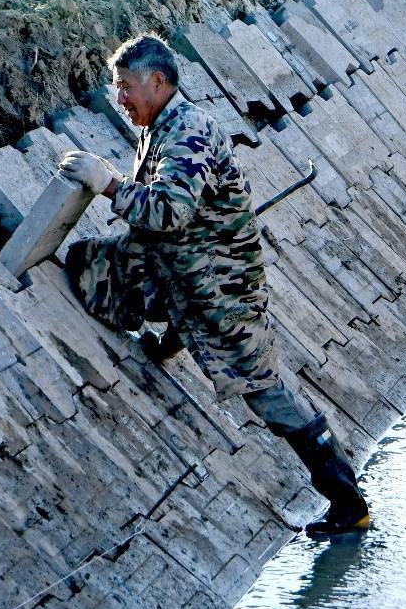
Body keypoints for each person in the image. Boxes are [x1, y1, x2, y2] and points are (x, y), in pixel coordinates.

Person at [59, 36, 371, 540]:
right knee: (91, 263)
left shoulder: (188, 133)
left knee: (265, 392)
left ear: (159, 83)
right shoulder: (160, 123)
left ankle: (348, 504)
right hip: (180, 269)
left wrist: (111, 184)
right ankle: (168, 335)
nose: (120, 99)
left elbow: (168, 212)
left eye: (126, 88)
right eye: (116, 89)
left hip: (219, 290)